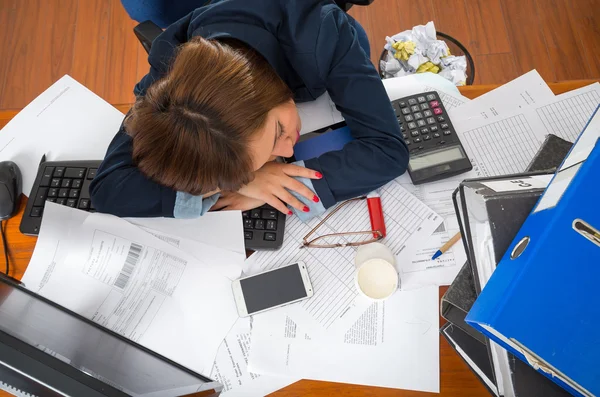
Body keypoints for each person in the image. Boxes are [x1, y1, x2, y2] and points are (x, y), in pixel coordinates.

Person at [90, 0, 408, 221]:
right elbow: (109, 191)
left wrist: (285, 186)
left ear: (273, 85)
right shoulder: (172, 70)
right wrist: (242, 180)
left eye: (278, 133)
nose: (289, 148)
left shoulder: (324, 34)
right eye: (273, 147)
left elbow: (388, 151)